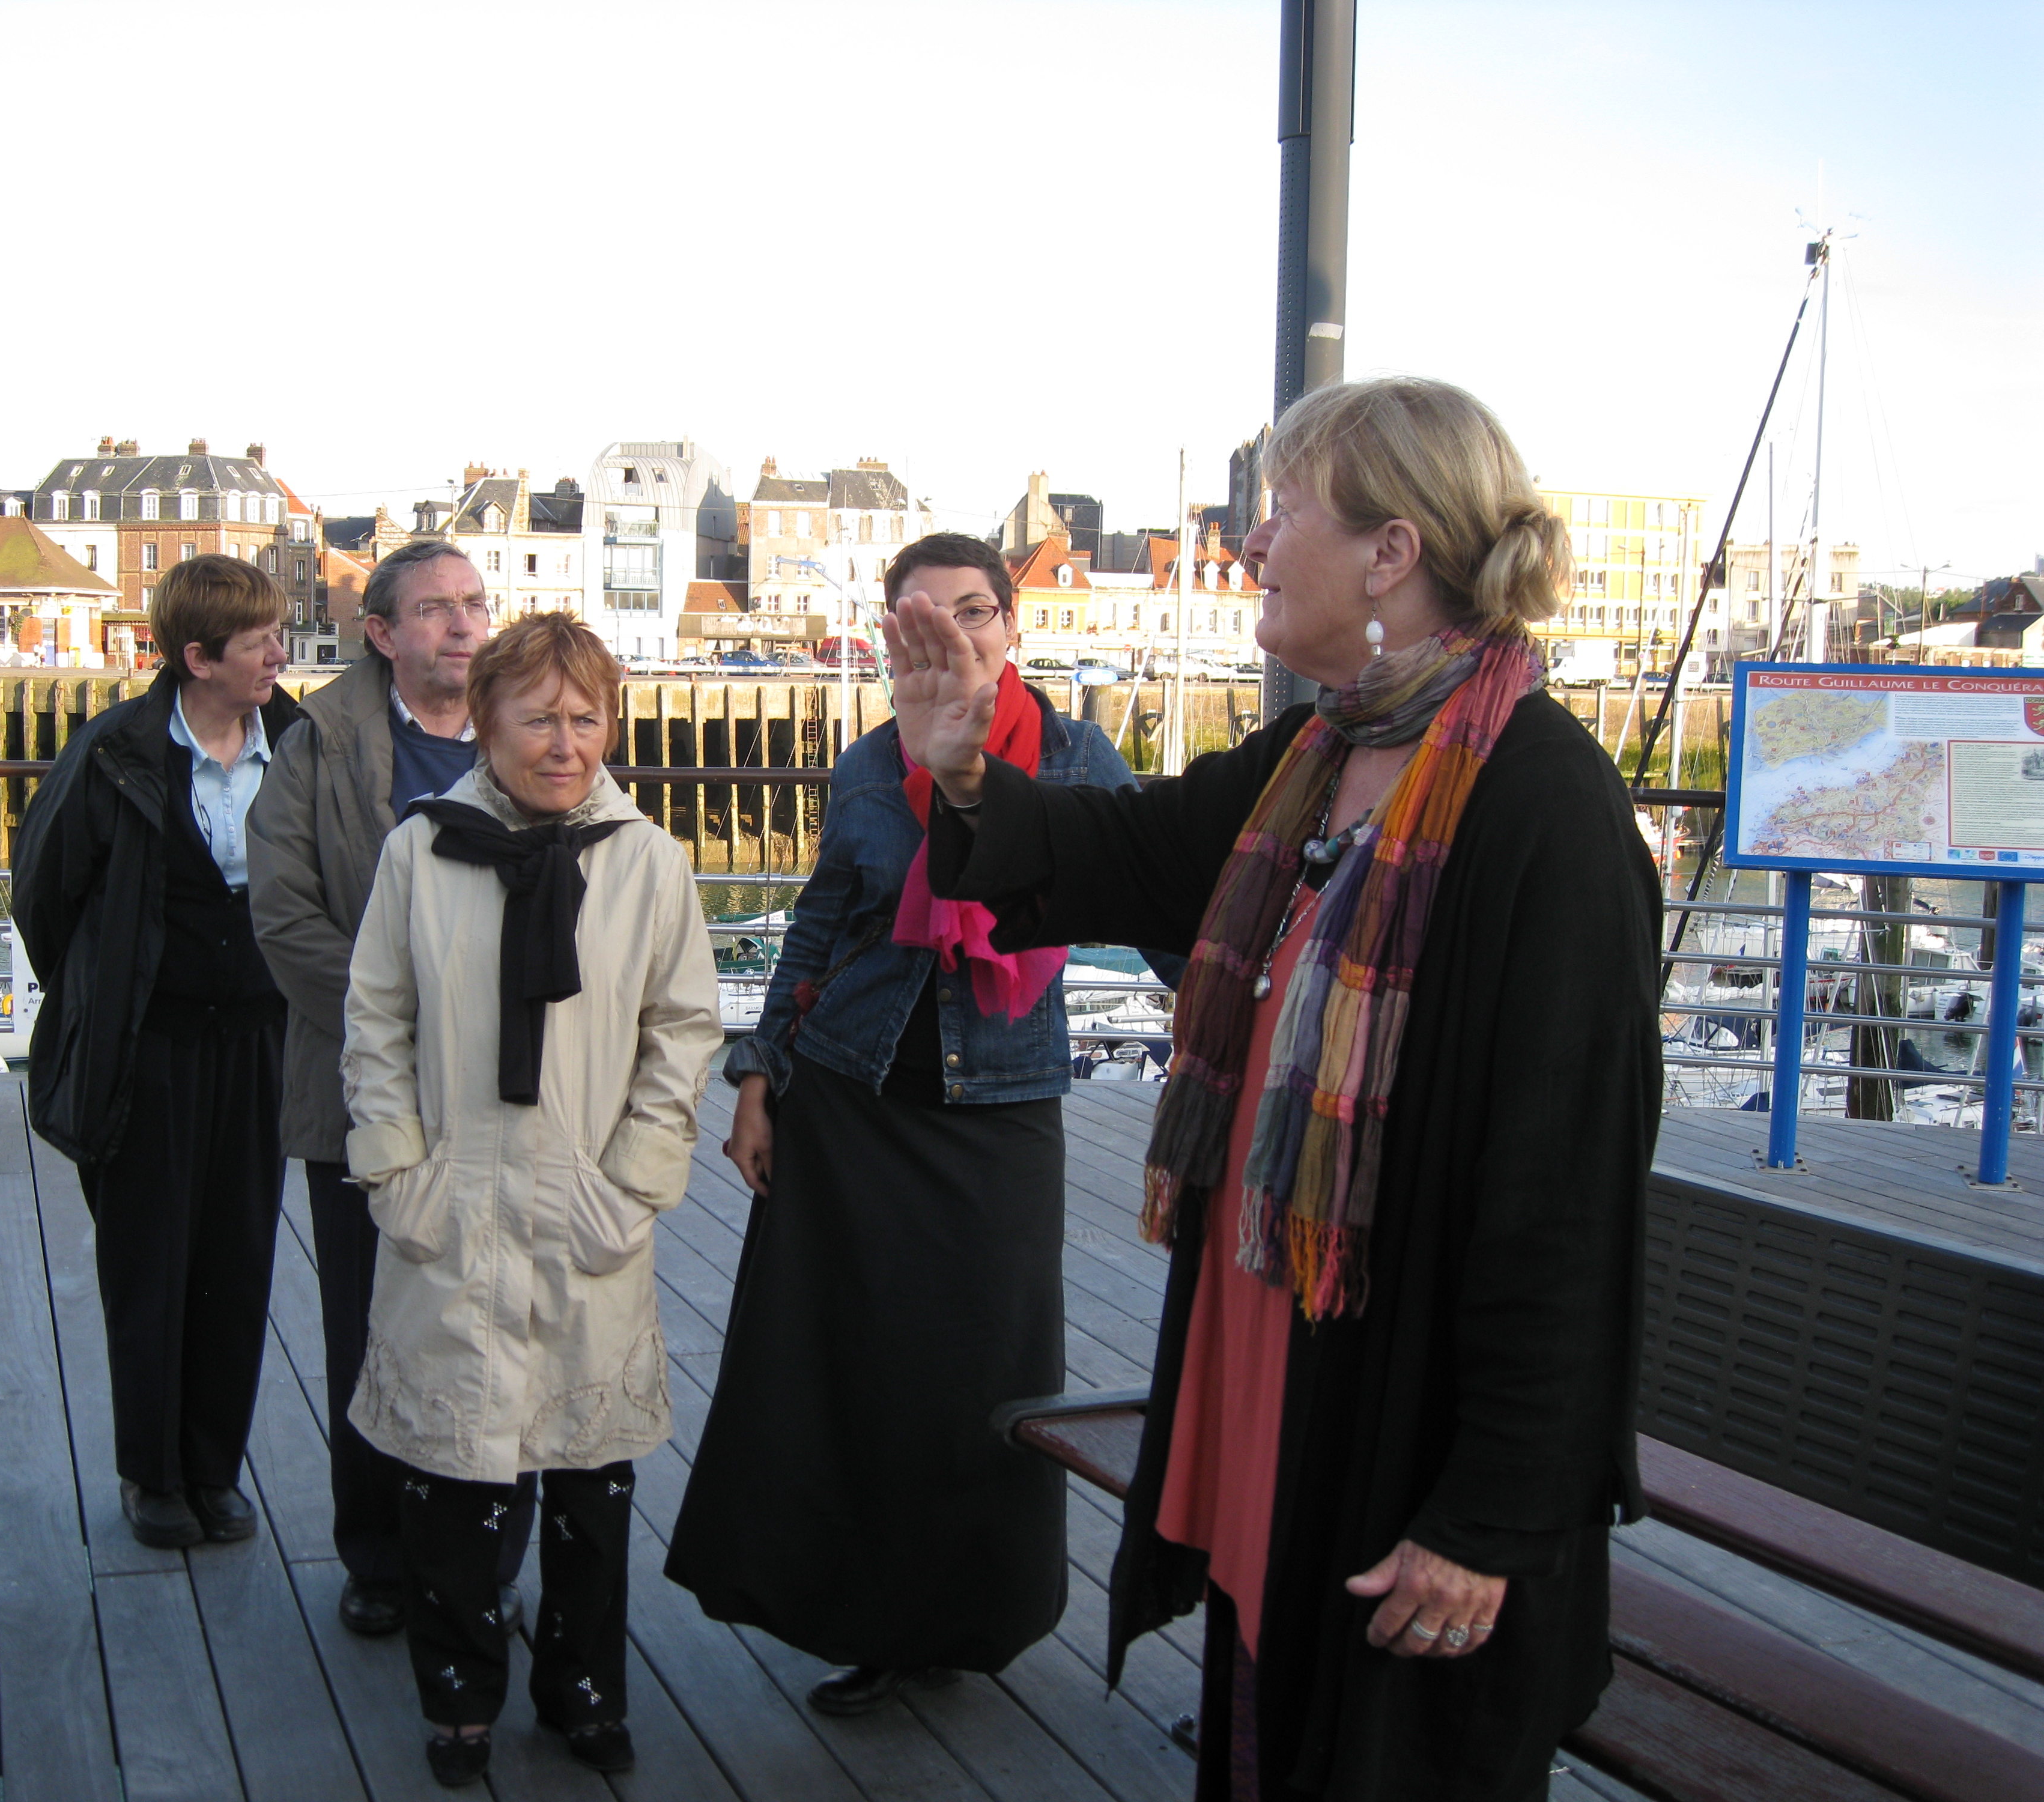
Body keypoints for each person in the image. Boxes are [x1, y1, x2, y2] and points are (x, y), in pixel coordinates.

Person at [885, 377, 1660, 1802]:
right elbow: (1117, 847)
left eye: (1285, 506)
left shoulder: (1540, 807)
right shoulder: (1325, 754)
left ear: (1392, 552)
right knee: (1261, 1729)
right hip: (1269, 1362)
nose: (1253, 537)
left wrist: (1490, 1516)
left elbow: (1561, 1202)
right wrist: (959, 763)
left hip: (1392, 1415)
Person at [663, 532, 1180, 1716]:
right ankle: (874, 1624)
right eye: (916, 615)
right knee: (852, 1377)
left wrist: (1244, 986)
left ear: (1009, 626)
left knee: (987, 1378)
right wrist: (755, 1077)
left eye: (971, 611)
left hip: (998, 1116)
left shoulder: (1074, 758)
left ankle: (976, 1618)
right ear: (891, 638)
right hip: (849, 1104)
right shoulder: (863, 766)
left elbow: (1158, 903)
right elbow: (818, 933)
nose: (948, 633)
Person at [341, 612, 720, 1787]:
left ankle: (583, 1691)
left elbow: (681, 1028)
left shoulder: (646, 862)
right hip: (451, 1209)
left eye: (585, 718)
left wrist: (636, 1182)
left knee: (588, 1487)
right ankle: (456, 1695)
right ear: (485, 723)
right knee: (452, 1477)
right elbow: (376, 1015)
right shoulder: (423, 851)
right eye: (539, 718)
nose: (566, 742)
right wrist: (398, 1169)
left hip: (584, 1211)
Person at [247, 539, 533, 1640]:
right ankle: (377, 1556)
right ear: (381, 634)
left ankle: (493, 1559)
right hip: (368, 1098)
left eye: (473, 604)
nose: (462, 626)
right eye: (433, 611)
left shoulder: (535, 734)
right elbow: (284, 916)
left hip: (513, 1101)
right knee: (372, 1331)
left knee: (505, 1329)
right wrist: (404, 1031)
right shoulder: (317, 746)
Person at [12, 555, 303, 1550]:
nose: (278, 652)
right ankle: (153, 1473)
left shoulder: (298, 745)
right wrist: (109, 992)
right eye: (258, 639)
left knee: (238, 1253)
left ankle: (214, 1470)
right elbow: (44, 897)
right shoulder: (115, 754)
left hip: (259, 1044)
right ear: (196, 657)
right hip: (149, 1046)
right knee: (149, 1262)